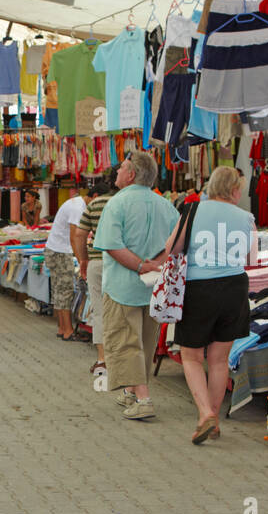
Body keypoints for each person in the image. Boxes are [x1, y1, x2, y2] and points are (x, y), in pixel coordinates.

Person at [158, 166, 255, 444]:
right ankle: (213, 419)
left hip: (199, 288)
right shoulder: (246, 217)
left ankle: (204, 414)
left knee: (191, 356)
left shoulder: (193, 210)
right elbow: (252, 256)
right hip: (235, 287)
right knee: (220, 359)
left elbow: (171, 248)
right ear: (234, 189)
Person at [92, 150, 180, 422]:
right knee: (145, 342)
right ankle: (131, 391)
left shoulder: (117, 203)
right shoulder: (165, 204)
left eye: (121, 168)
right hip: (154, 288)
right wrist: (156, 265)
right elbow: (177, 244)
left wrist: (142, 265)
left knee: (124, 342)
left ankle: (143, 399)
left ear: (131, 174)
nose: (117, 172)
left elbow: (112, 245)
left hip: (124, 286)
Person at [71, 177, 115, 378]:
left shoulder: (95, 204)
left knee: (99, 310)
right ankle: (122, 358)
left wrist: (83, 259)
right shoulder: (124, 201)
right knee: (123, 311)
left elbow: (80, 234)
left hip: (97, 262)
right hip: (124, 263)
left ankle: (102, 360)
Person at [46, 187, 89, 342]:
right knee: (65, 291)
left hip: (54, 249)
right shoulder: (78, 209)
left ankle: (62, 328)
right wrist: (82, 260)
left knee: (58, 289)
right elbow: (74, 237)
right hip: (61, 252)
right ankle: (68, 331)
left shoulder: (76, 202)